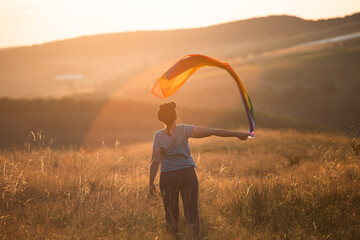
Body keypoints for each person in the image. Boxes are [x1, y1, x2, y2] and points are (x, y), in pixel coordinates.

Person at [149, 102, 249, 239]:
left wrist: (151, 181)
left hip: (168, 178)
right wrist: (236, 134)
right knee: (192, 214)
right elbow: (212, 131)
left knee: (171, 215)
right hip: (187, 175)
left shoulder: (158, 135)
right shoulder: (184, 130)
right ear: (175, 116)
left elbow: (155, 161)